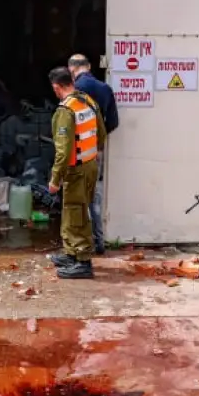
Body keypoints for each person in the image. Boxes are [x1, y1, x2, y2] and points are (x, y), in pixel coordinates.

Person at [46, 67, 107, 279]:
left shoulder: (66, 110)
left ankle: (82, 261)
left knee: (76, 212)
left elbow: (63, 152)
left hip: (76, 169)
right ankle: (71, 252)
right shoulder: (88, 101)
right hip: (89, 164)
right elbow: (101, 133)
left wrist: (55, 179)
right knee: (75, 210)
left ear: (56, 87)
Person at [68, 54, 119, 255]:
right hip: (97, 151)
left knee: (76, 198)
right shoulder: (105, 89)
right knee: (94, 197)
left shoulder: (74, 91)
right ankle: (98, 241)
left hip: (77, 150)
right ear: (88, 67)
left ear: (71, 69)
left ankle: (80, 244)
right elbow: (113, 122)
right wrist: (98, 141)